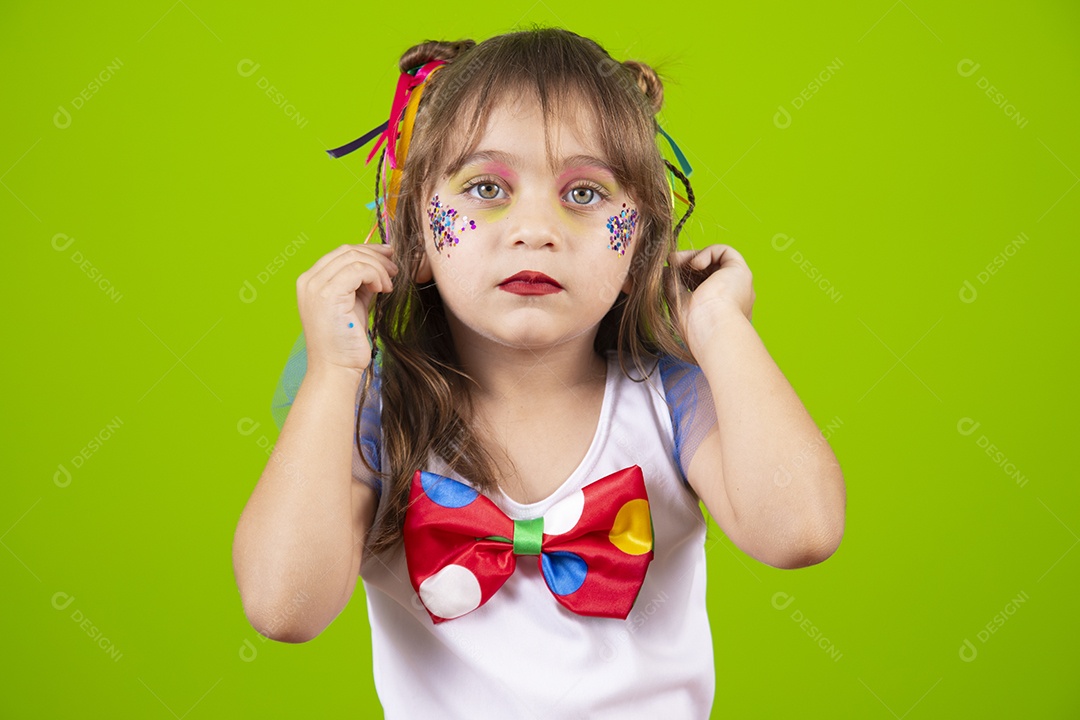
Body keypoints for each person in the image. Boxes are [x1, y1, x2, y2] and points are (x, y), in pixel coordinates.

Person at [232, 26, 846, 719]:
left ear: (640, 241)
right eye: (487, 186)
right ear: (418, 237)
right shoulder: (376, 415)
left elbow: (802, 531)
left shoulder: (670, 399)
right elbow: (284, 606)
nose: (535, 228)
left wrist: (719, 327)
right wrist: (332, 372)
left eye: (584, 194)